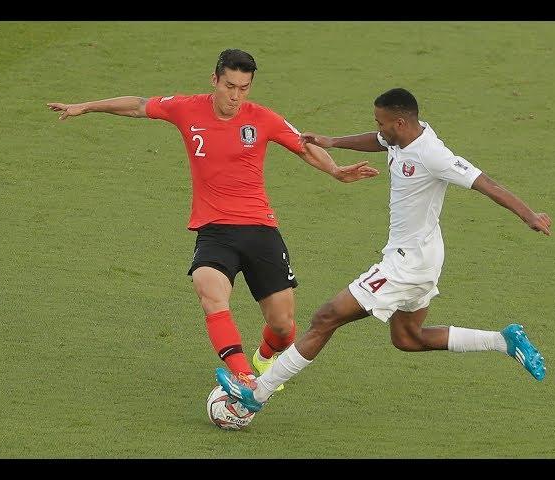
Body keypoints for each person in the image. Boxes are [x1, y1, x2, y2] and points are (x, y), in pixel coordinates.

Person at [47, 49, 379, 391]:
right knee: (208, 288)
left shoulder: (262, 118)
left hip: (260, 229)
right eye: (229, 86)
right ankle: (244, 376)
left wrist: (336, 170)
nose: (235, 96)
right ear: (215, 80)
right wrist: (86, 106)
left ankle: (265, 357)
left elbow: (304, 146)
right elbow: (138, 104)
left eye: (244, 88)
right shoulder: (186, 108)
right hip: (214, 231)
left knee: (283, 325)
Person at [216, 87, 551, 412]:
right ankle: (503, 341)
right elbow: (378, 141)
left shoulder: (433, 154)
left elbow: (485, 183)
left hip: (409, 263)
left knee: (326, 317)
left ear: (400, 124)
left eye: (381, 123)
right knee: (408, 338)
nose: (378, 129)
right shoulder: (404, 134)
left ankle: (258, 393)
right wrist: (333, 142)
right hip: (423, 256)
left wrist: (529, 215)